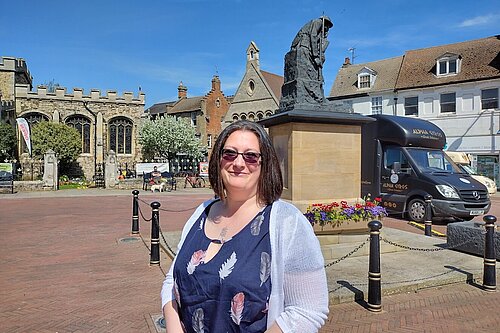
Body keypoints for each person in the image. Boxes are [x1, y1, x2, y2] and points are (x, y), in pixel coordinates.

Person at [161, 120, 329, 332]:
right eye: (230, 153)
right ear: (218, 160)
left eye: (250, 156)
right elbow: (173, 279)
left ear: (265, 163)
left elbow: (308, 310)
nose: (238, 163)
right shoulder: (201, 213)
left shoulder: (287, 222)